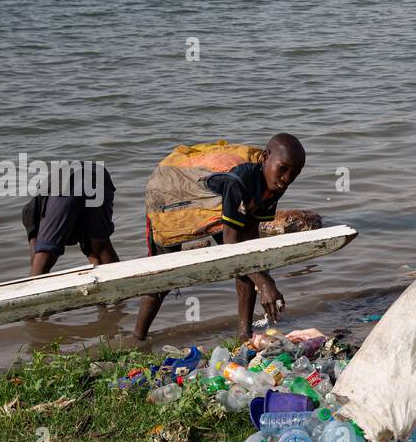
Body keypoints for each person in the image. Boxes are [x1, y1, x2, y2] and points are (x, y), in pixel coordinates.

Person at [133, 134, 305, 342]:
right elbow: (231, 247)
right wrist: (265, 284)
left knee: (248, 270)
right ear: (265, 157)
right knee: (162, 277)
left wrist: (262, 277)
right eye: (283, 169)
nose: (287, 178)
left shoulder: (275, 182)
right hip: (171, 194)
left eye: (294, 173)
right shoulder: (239, 180)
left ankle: (244, 335)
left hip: (217, 200)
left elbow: (249, 238)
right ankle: (137, 338)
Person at [22, 162, 120, 275]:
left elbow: (37, 258)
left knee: (43, 256)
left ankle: (33, 290)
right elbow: (92, 251)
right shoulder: (48, 208)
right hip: (99, 179)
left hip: (67, 184)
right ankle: (124, 288)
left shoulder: (30, 216)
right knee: (101, 246)